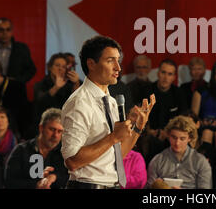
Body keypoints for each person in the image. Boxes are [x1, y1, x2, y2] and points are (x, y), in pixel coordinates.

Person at [61, 36, 155, 189]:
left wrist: (138, 127)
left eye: (118, 60)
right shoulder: (79, 103)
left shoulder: (111, 101)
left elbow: (117, 156)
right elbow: (72, 161)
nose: (118, 67)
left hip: (110, 184)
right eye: (110, 61)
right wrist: (113, 137)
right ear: (91, 64)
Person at [4, 108, 69, 189]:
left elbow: (69, 178)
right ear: (41, 128)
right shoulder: (21, 150)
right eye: (52, 129)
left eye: (60, 131)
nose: (55, 135)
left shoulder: (64, 154)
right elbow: (10, 181)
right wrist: (36, 185)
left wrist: (54, 177)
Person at [146, 115, 212, 189]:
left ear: (189, 138)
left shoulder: (200, 161)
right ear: (168, 136)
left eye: (182, 139)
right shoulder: (158, 160)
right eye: (174, 137)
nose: (177, 143)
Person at [33, 53, 81, 129]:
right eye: (57, 65)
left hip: (66, 125)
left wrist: (76, 84)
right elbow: (39, 102)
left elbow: (78, 104)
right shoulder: (40, 84)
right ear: (50, 67)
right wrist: (56, 87)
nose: (60, 69)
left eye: (63, 67)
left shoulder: (70, 84)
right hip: (44, 124)